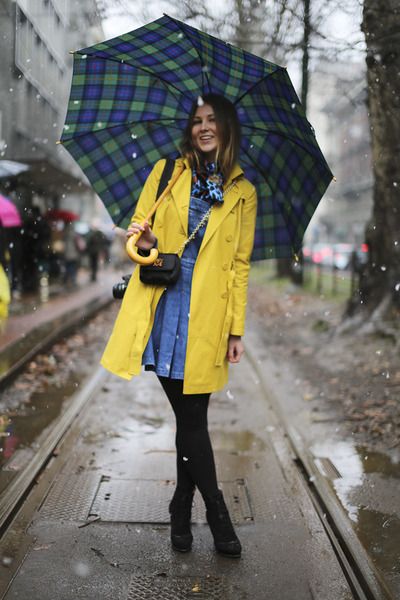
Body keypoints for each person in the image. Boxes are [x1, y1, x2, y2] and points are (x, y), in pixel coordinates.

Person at [101, 94, 257, 558]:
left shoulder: (243, 192)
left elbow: (240, 265)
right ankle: (216, 512)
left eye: (211, 120)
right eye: (196, 121)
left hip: (209, 314)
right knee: (191, 419)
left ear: (227, 128)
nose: (203, 128)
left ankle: (181, 505)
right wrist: (144, 239)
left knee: (192, 420)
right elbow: (137, 232)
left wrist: (236, 330)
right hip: (165, 304)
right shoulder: (167, 173)